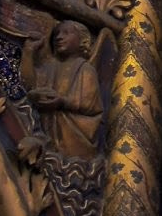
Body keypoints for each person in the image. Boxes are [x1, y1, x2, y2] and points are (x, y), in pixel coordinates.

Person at [21, 20, 104, 159]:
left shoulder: (85, 69)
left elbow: (90, 105)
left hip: (74, 132)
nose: (59, 37)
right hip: (46, 128)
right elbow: (28, 85)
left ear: (82, 40)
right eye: (56, 34)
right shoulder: (49, 67)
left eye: (66, 33)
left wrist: (61, 102)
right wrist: (29, 51)